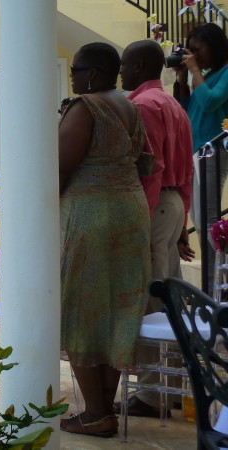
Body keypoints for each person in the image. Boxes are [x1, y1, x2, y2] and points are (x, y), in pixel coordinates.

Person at [58, 42, 150, 437]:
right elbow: (145, 161)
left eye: (75, 69)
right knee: (117, 309)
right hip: (130, 211)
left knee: (81, 305)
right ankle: (103, 409)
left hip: (92, 215)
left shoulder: (86, 107)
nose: (73, 76)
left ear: (92, 73)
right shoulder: (131, 106)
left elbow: (57, 167)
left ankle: (95, 412)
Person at [117, 39, 195, 418]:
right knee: (169, 301)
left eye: (126, 65)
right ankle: (174, 386)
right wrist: (182, 222)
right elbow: (187, 168)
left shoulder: (144, 105)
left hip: (154, 205)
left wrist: (139, 220)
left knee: (150, 300)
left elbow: (152, 168)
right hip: (173, 204)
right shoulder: (173, 104)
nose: (122, 72)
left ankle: (150, 395)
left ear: (142, 65)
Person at [173, 23, 228, 288]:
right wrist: (183, 80)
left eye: (197, 50)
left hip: (213, 151)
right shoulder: (205, 77)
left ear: (214, 45)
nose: (194, 55)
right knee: (200, 219)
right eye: (190, 51)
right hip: (197, 152)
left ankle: (217, 284)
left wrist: (195, 71)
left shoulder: (226, 73)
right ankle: (212, 284)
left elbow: (210, 102)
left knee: (208, 222)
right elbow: (188, 112)